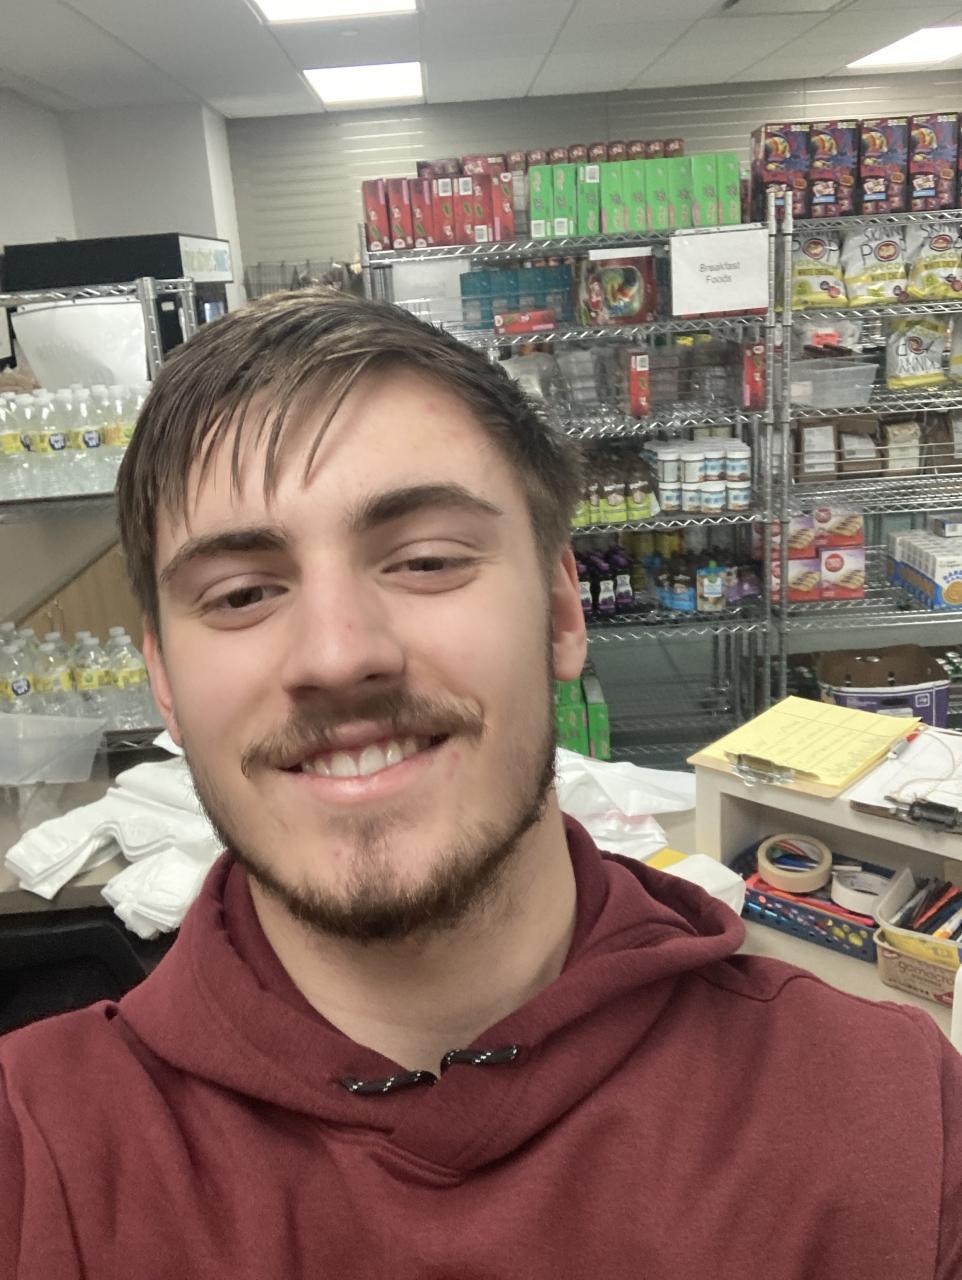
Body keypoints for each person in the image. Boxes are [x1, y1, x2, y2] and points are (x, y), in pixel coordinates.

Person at [1, 290, 960, 1279]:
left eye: (425, 561)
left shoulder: (891, 1118)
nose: (337, 654)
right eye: (242, 593)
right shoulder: (35, 1156)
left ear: (560, 611)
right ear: (163, 680)